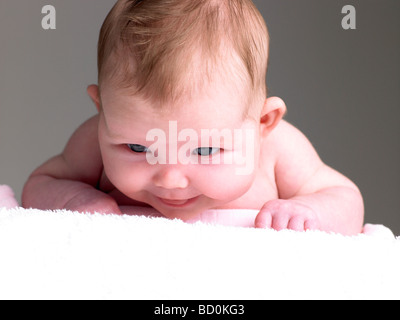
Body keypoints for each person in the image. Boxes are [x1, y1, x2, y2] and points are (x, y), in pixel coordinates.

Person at [22, 0, 364, 235]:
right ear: (103, 111)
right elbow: (40, 185)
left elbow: (344, 198)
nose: (170, 180)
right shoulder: (94, 140)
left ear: (263, 123)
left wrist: (311, 213)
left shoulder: (279, 149)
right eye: (138, 148)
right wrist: (74, 200)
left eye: (204, 151)